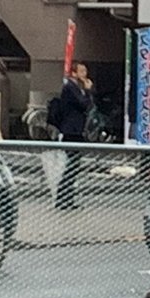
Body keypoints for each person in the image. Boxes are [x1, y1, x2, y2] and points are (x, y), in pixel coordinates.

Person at [56, 62, 93, 210]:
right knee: (71, 166)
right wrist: (88, 91)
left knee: (74, 166)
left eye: (85, 71)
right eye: (81, 71)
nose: (85, 74)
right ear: (74, 73)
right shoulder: (70, 88)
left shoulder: (76, 88)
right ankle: (63, 199)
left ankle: (67, 198)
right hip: (71, 130)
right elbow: (84, 104)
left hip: (76, 129)